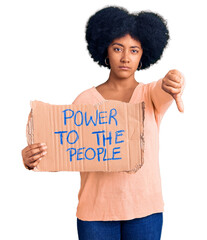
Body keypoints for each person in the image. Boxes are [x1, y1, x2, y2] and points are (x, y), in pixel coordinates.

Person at [21, 5, 185, 240]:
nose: (126, 57)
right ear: (106, 50)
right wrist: (31, 159)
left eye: (134, 50)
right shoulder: (85, 101)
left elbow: (165, 87)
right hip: (95, 214)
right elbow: (63, 148)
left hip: (145, 211)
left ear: (144, 54)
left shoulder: (151, 95)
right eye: (117, 48)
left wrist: (174, 81)